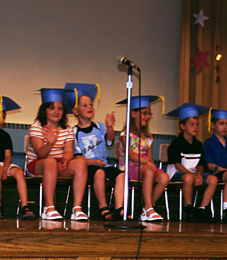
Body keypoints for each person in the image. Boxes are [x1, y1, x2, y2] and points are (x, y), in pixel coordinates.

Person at [25, 88, 88, 221]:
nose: (56, 111)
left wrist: (66, 158)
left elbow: (69, 150)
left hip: (58, 163)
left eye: (60, 108)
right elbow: (40, 154)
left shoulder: (67, 129)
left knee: (80, 163)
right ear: (44, 110)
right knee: (50, 162)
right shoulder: (37, 127)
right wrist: (50, 143)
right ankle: (49, 207)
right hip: (37, 164)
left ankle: (77, 208)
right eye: (52, 108)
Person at [64, 82, 124, 220]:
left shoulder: (99, 126)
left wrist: (109, 127)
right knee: (99, 173)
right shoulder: (73, 132)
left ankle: (119, 208)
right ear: (75, 111)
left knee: (121, 176)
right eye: (84, 105)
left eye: (91, 104)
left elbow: (109, 140)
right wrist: (94, 162)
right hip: (88, 167)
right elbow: (77, 157)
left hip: (103, 163)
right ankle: (103, 207)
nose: (89, 107)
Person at [117, 95, 170, 222]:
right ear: (133, 114)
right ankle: (149, 208)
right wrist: (147, 162)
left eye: (149, 114)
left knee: (164, 177)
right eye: (144, 113)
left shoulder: (148, 136)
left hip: (144, 168)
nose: (147, 116)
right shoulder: (126, 133)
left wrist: (151, 164)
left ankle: (145, 210)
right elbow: (130, 154)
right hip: (130, 167)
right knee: (149, 170)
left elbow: (150, 158)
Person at [165, 103, 217, 222]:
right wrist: (193, 175)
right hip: (177, 173)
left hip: (193, 173)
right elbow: (177, 165)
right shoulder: (176, 143)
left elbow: (200, 164)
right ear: (182, 126)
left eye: (197, 125)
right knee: (188, 178)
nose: (195, 127)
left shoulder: (198, 144)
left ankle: (202, 208)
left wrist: (198, 174)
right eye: (192, 124)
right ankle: (188, 208)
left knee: (212, 180)